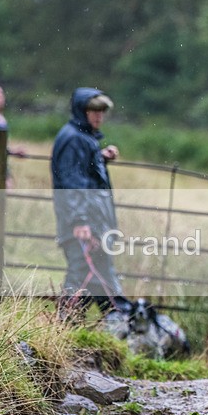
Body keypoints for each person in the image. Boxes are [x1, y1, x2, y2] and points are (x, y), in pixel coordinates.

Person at [51, 87, 132, 321]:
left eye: (102, 111)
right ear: (81, 111)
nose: (99, 116)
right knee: (81, 273)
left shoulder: (83, 138)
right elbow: (71, 181)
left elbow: (85, 176)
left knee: (97, 275)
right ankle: (66, 326)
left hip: (94, 222)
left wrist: (99, 158)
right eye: (93, 111)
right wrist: (79, 221)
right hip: (83, 224)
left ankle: (114, 325)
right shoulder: (73, 139)